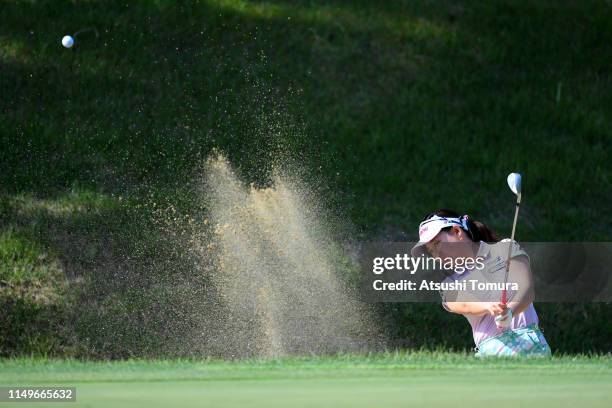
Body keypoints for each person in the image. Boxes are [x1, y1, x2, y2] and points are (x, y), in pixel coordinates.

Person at [411, 209, 551, 357]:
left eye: (437, 243)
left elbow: (526, 290)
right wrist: (488, 306)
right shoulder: (449, 283)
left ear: (457, 231)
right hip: (491, 354)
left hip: (532, 348)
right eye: (431, 251)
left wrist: (510, 311)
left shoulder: (505, 248)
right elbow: (462, 304)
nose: (436, 255)